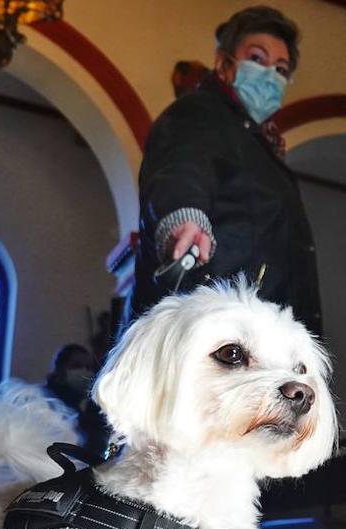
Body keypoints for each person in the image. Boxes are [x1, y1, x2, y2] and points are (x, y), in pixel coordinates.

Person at [130, 6, 321, 336]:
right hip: (215, 325)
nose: (269, 75)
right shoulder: (201, 112)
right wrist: (184, 216)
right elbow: (183, 164)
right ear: (224, 62)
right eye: (257, 59)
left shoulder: (259, 146)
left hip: (261, 331)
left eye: (280, 68)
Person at [43, 343, 111, 458]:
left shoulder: (92, 406)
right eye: (76, 366)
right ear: (60, 370)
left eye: (89, 367)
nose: (85, 372)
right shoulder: (45, 403)